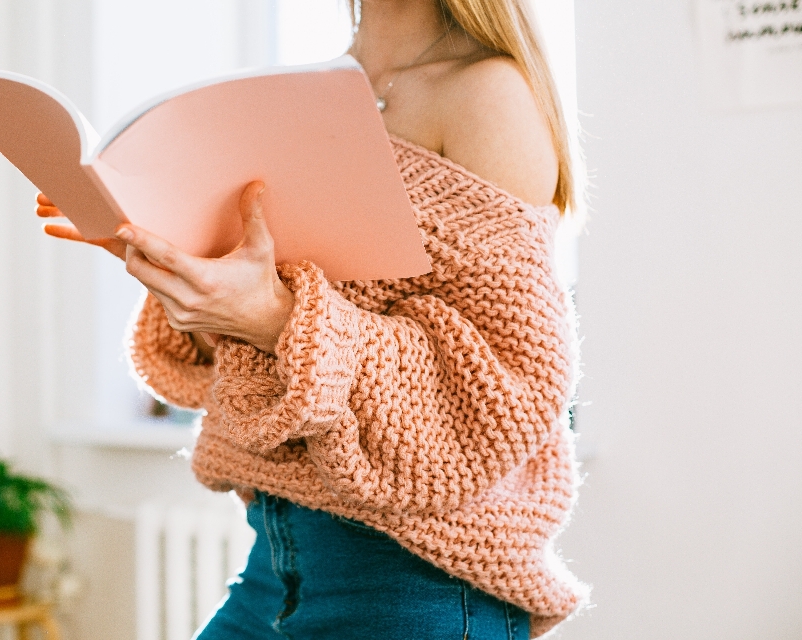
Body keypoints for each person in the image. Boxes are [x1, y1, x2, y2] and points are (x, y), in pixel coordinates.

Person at [37, 0, 587, 637]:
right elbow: (244, 364)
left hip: (413, 586)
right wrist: (176, 268)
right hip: (271, 567)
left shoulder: (489, 94)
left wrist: (275, 317)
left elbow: (504, 392)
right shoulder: (302, 94)